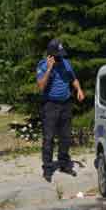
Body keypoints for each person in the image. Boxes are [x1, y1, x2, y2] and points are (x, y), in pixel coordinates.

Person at [36, 39, 85, 182]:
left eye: (61, 55)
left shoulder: (66, 63)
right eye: (57, 55)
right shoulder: (43, 65)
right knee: (49, 138)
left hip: (66, 104)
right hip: (50, 104)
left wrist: (79, 89)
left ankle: (64, 164)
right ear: (50, 54)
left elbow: (73, 79)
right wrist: (50, 69)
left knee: (65, 137)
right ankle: (48, 168)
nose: (59, 58)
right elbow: (41, 87)